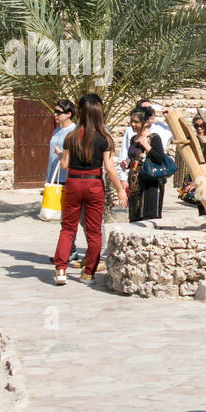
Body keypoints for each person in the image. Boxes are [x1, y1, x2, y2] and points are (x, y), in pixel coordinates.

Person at [54, 93, 128, 285]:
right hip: (94, 183)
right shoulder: (104, 138)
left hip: (73, 182)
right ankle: (88, 273)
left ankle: (61, 269)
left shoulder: (70, 136)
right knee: (94, 231)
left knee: (68, 228)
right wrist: (120, 189)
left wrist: (62, 156)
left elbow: (64, 165)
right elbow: (109, 167)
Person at [46, 99, 81, 267]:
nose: (55, 114)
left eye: (59, 112)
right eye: (55, 111)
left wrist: (62, 156)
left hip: (68, 178)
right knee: (63, 218)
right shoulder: (56, 131)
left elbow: (77, 156)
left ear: (69, 114)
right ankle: (68, 249)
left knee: (69, 218)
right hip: (55, 177)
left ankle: (69, 251)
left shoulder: (74, 132)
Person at [126, 106, 167, 222]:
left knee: (148, 218)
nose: (133, 124)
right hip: (135, 184)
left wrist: (147, 146)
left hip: (150, 184)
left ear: (145, 123)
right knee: (134, 217)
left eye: (136, 122)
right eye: (131, 121)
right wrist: (128, 164)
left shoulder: (154, 138)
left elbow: (159, 159)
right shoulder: (134, 138)